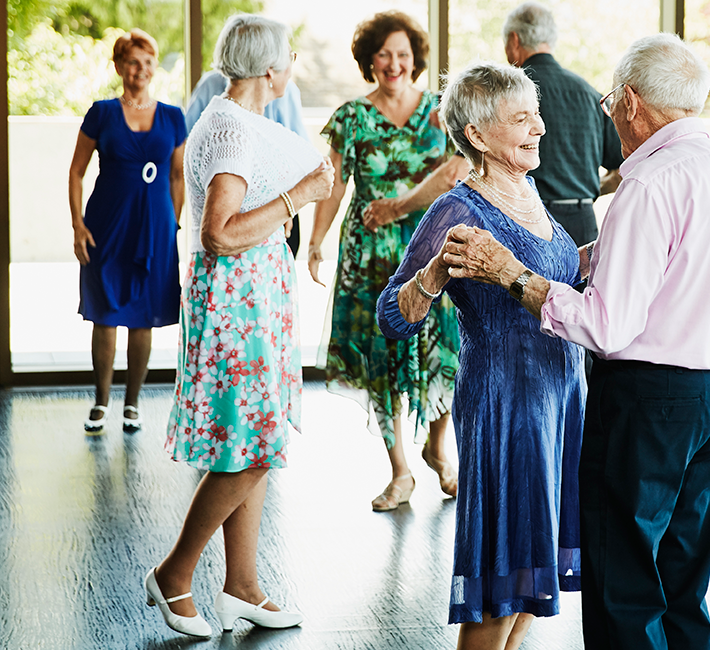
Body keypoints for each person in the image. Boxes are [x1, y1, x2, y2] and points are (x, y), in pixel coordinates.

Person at [440, 34, 710, 650]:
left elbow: (605, 326)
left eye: (607, 104)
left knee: (623, 576)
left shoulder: (646, 183)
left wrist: (515, 275)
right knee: (684, 574)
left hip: (650, 403)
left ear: (629, 101)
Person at [376, 61, 585, 650]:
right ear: (475, 134)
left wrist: (594, 256)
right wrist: (436, 272)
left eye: (536, 114)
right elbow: (392, 315)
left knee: (528, 585)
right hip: (508, 405)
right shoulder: (459, 210)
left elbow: (548, 272)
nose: (540, 127)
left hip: (559, 398)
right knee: (502, 586)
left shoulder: (527, 188)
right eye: (522, 118)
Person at [144, 15, 333, 638]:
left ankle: (243, 588)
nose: (295, 61)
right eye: (290, 54)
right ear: (271, 67)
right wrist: (300, 195)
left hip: (254, 299)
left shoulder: (239, 121)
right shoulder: (229, 129)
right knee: (248, 449)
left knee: (253, 443)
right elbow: (219, 234)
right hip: (237, 302)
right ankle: (175, 573)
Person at [309, 11, 468, 510]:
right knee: (382, 358)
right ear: (369, 61)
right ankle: (400, 471)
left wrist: (401, 205)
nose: (394, 63)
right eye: (384, 54)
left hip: (432, 245)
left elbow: (459, 168)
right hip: (370, 249)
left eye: (402, 54)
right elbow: (331, 187)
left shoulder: (443, 112)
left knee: (444, 348)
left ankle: (438, 449)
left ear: (415, 58)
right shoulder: (351, 117)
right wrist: (316, 240)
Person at [68, 29, 185, 435]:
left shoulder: (173, 116)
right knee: (105, 314)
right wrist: (77, 224)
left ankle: (132, 404)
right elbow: (77, 171)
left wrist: (174, 224)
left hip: (154, 228)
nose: (142, 69)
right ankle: (100, 402)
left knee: (144, 319)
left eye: (149, 62)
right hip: (106, 227)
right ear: (119, 66)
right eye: (134, 61)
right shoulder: (101, 112)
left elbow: (177, 175)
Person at [502, 1, 624, 247]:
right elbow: (625, 166)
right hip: (583, 225)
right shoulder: (589, 93)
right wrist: (584, 189)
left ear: (514, 40)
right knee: (582, 287)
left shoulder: (507, 92)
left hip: (528, 220)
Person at [185, 69, 308, 256]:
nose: (289, 68)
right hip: (229, 218)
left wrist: (288, 204)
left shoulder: (288, 89)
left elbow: (296, 152)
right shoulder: (214, 95)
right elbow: (188, 139)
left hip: (280, 204)